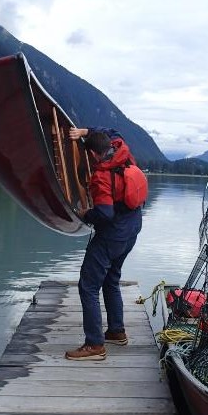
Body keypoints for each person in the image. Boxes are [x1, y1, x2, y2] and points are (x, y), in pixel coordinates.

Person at [65, 126, 143, 361]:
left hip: (113, 234)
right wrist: (85, 131)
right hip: (133, 229)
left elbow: (105, 213)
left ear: (92, 155)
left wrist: (85, 214)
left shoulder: (101, 176)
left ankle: (94, 345)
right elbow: (113, 129)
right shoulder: (123, 152)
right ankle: (116, 331)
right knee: (111, 279)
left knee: (88, 286)